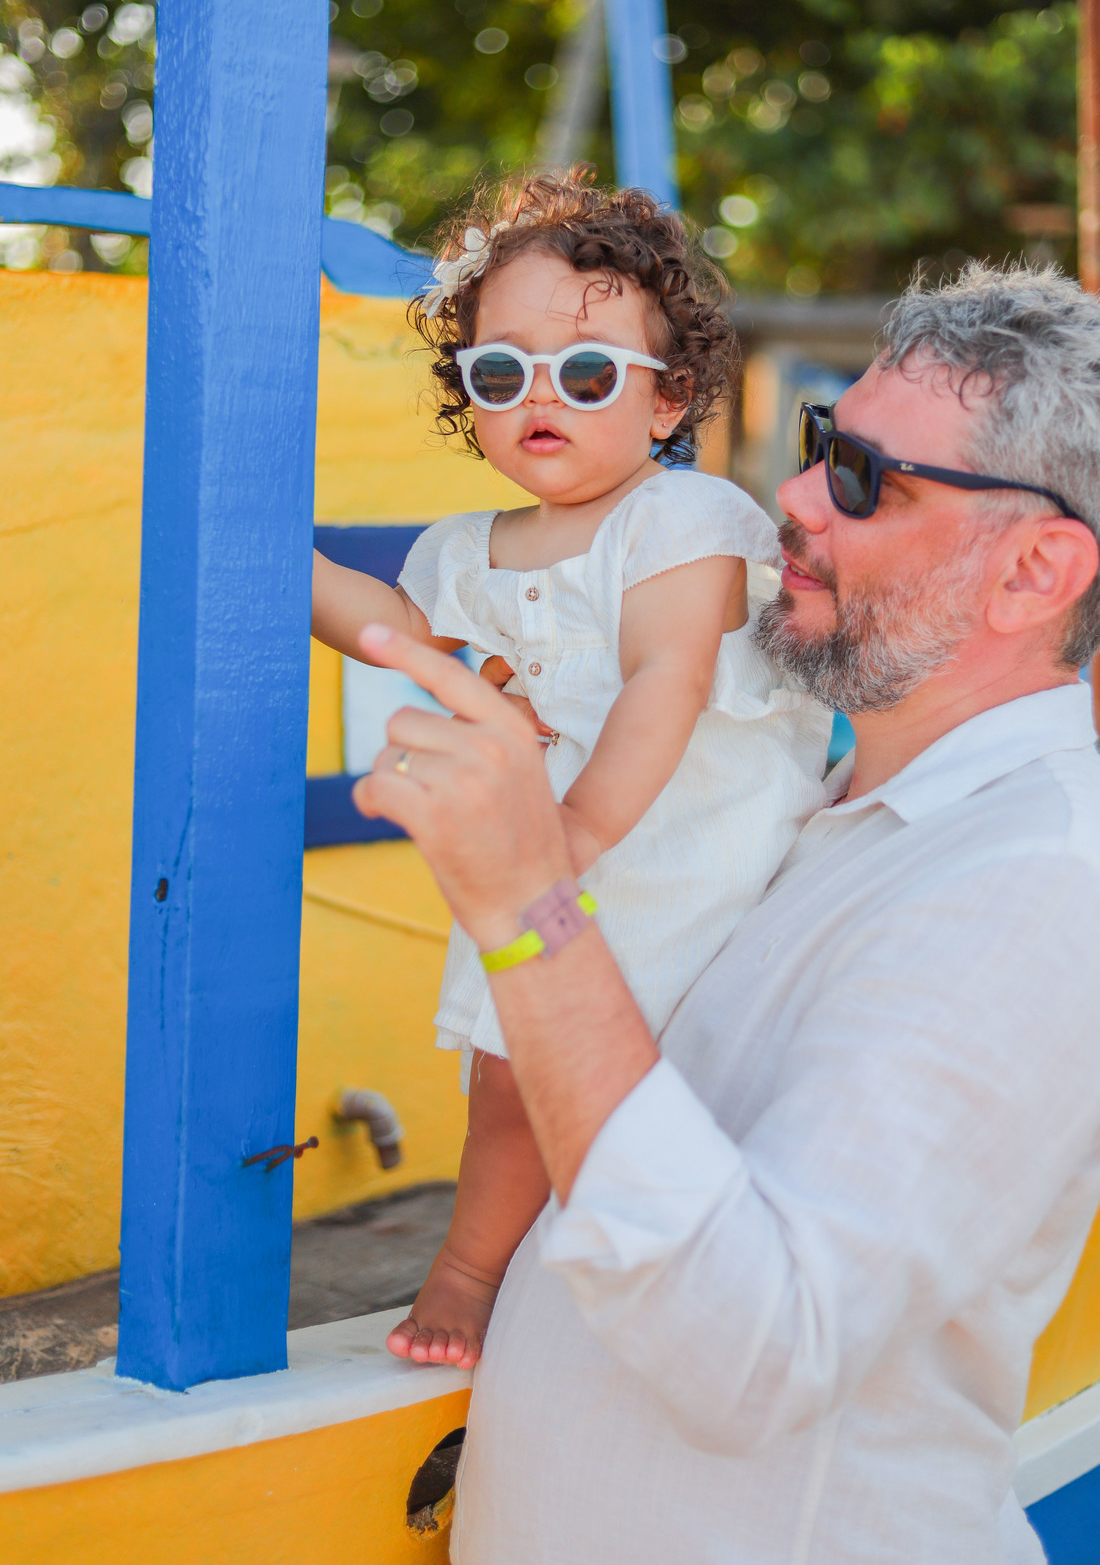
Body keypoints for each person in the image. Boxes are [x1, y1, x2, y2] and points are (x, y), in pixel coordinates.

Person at [354, 262, 1100, 1565]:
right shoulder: (811, 800)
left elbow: (755, 1349)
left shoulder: (1035, 892)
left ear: (1034, 572)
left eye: (865, 481)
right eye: (821, 448)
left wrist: (528, 898)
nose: (793, 500)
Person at [312, 169, 830, 1366]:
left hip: (675, 864)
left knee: (634, 1079)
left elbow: (667, 682)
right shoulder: (465, 551)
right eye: (503, 374)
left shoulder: (684, 523)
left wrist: (576, 837)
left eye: (588, 373)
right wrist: (269, 558)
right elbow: (394, 625)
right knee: (514, 1077)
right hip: (555, 871)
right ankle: (496, 1265)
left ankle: (529, 1268)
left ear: (670, 401)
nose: (541, 397)